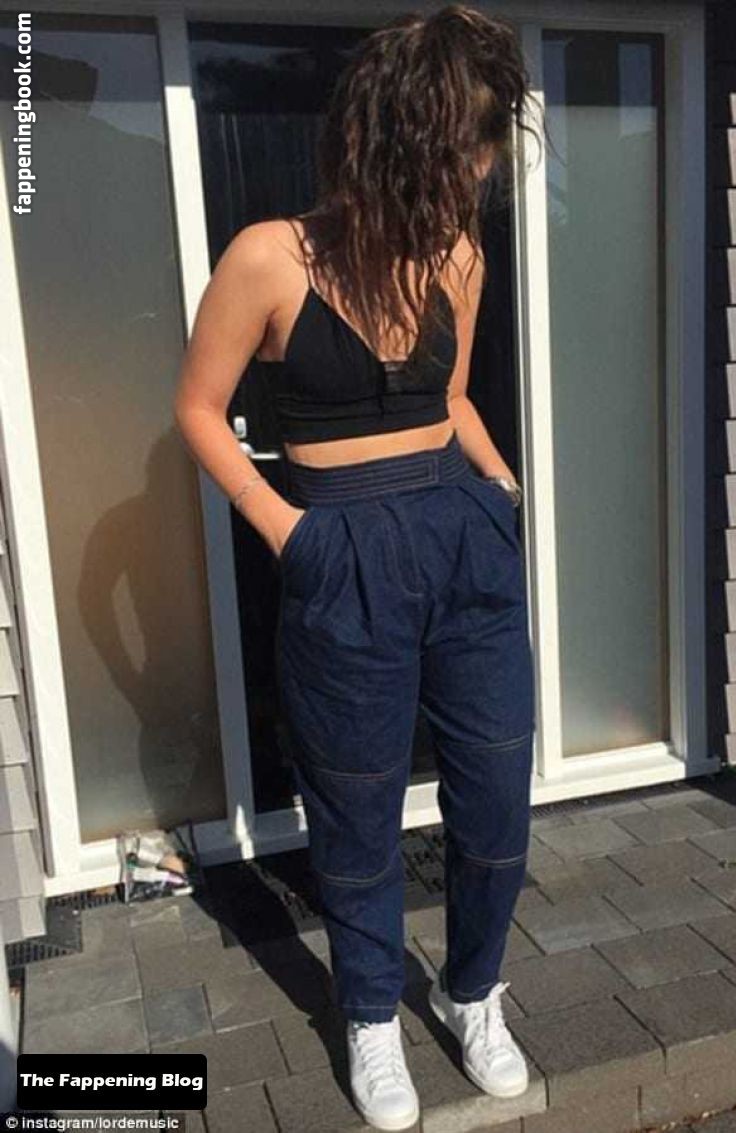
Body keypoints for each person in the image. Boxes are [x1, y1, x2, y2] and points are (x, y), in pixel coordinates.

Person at [174, 5, 544, 1129]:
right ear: (400, 144)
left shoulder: (460, 254)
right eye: (466, 151)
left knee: (496, 796)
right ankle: (372, 1011)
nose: (479, 176)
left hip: (458, 535)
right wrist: (288, 529)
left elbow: (451, 396)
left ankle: (472, 989)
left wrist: (501, 491)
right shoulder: (269, 256)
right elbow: (198, 409)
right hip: (338, 545)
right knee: (356, 806)